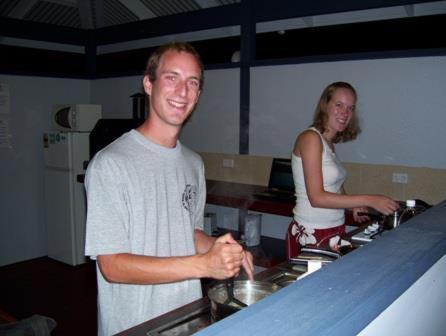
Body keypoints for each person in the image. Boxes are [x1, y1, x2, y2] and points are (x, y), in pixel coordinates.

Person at [84, 42, 254, 336]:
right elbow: (112, 266)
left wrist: (219, 249)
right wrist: (204, 265)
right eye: (171, 77)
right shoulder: (110, 163)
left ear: (198, 95)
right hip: (135, 324)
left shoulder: (193, 163)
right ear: (148, 84)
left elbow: (187, 232)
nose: (182, 91)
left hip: (184, 318)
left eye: (192, 82)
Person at [286, 81, 399, 257]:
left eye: (350, 108)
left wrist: (352, 206)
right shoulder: (310, 138)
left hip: (334, 227)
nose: (345, 113)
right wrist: (371, 200)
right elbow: (317, 198)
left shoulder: (328, 143)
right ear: (324, 105)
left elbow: (334, 184)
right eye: (339, 105)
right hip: (312, 231)